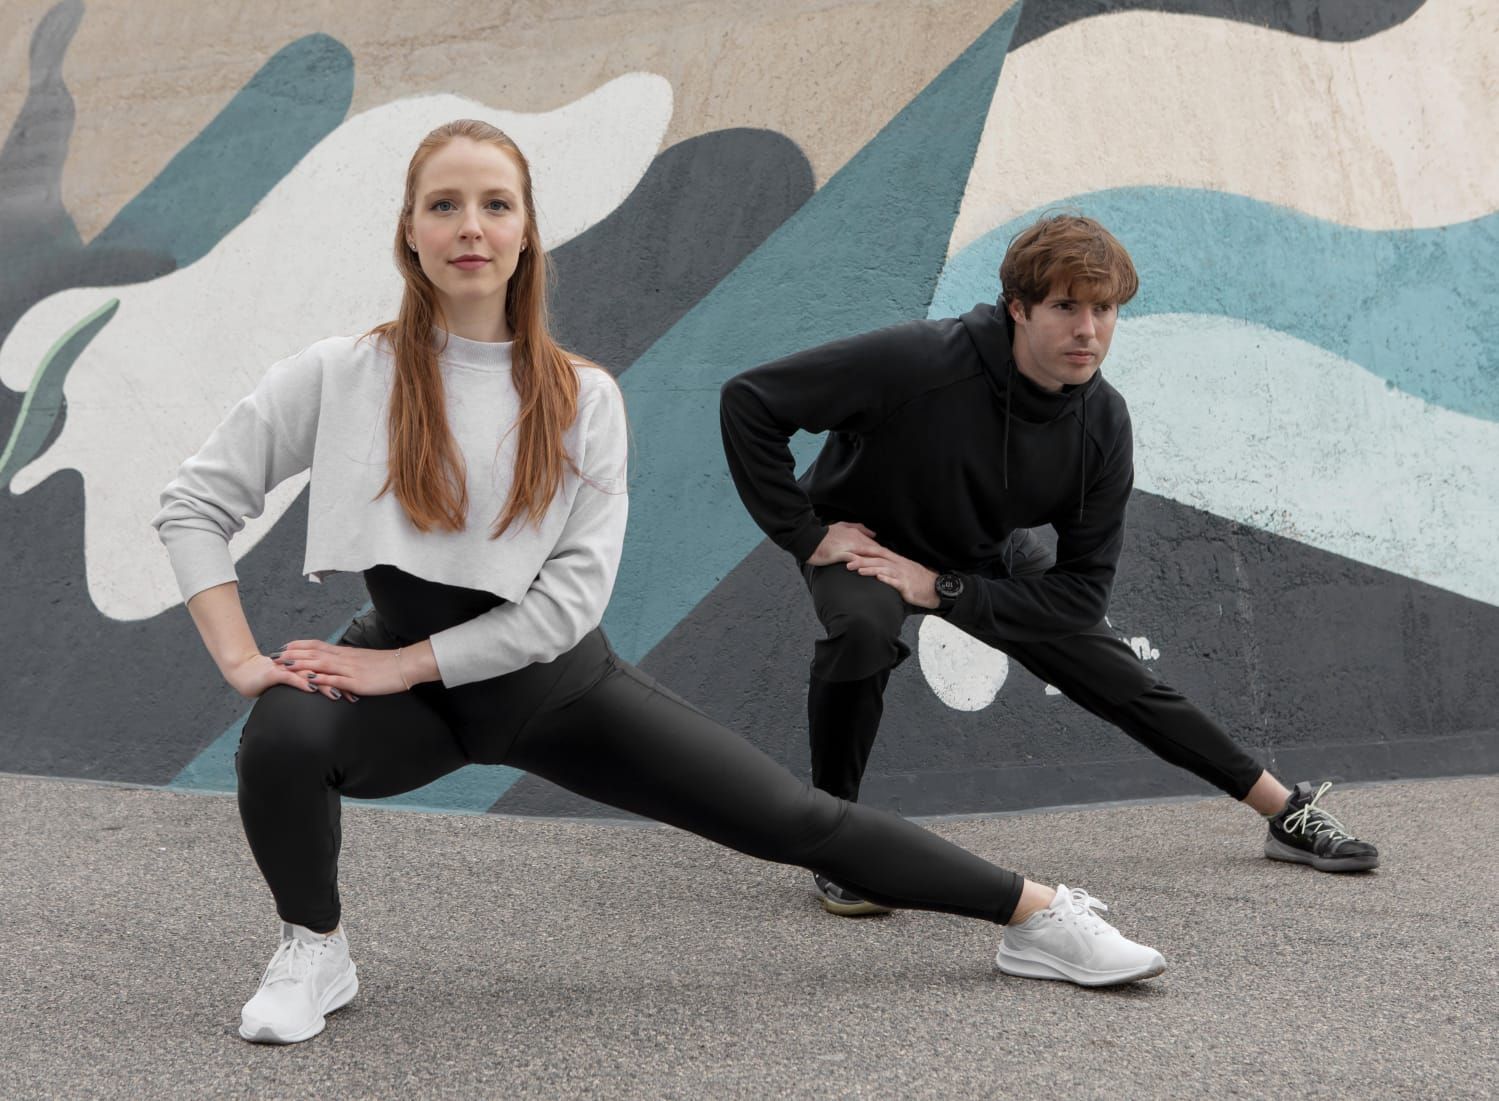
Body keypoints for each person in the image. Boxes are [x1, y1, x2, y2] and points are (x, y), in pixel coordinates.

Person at [155, 124, 1169, 1045]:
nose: (471, 226)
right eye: (445, 204)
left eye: (495, 204)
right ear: (409, 234)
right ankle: (313, 949)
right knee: (284, 730)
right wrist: (242, 659)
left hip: (555, 689)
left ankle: (1035, 916)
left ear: (527, 234)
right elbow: (195, 503)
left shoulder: (581, 398)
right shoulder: (337, 376)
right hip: (411, 702)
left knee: (797, 822)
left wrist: (398, 665)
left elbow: (564, 610)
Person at [719, 213, 1379, 917]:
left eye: (1103, 309)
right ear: (1017, 307)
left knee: (1117, 674)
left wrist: (945, 588)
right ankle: (837, 841)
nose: (1087, 329)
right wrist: (806, 533)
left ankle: (1286, 811)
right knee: (860, 635)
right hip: (869, 548)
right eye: (1065, 306)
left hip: (981, 555)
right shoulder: (916, 361)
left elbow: (1078, 593)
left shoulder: (1101, 423)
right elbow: (751, 402)